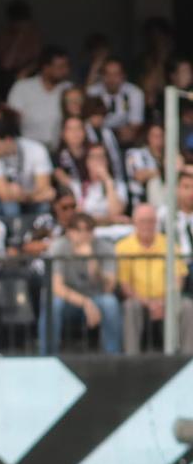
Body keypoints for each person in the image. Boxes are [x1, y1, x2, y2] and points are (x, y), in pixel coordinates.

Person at [115, 204, 193, 354]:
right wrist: (149, 303)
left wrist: (163, 302)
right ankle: (132, 359)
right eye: (143, 221)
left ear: (156, 222)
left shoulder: (169, 244)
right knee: (130, 307)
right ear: (134, 222)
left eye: (151, 221)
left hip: (167, 300)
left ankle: (188, 359)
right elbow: (125, 285)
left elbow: (179, 279)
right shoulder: (123, 247)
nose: (147, 225)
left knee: (188, 307)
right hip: (138, 300)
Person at [41, 213, 121, 354]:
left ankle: (113, 355)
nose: (84, 234)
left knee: (110, 303)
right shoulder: (59, 247)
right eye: (78, 229)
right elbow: (57, 287)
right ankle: (48, 355)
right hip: (69, 300)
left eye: (88, 230)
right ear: (69, 232)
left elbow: (109, 287)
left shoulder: (105, 247)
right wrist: (85, 303)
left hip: (97, 297)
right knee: (54, 304)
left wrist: (92, 261)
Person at [0, 120, 55, 217]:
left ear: (8, 139)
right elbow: (3, 194)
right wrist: (33, 195)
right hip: (12, 201)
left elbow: (43, 187)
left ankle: (40, 231)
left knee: (45, 205)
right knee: (9, 206)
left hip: (32, 199)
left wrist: (23, 195)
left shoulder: (37, 149)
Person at [6, 46, 71, 149]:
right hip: (28, 149)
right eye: (60, 67)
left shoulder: (68, 89)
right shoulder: (22, 87)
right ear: (46, 68)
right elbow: (11, 119)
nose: (65, 71)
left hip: (60, 150)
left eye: (66, 66)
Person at [87, 58, 145, 144]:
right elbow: (89, 122)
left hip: (125, 140)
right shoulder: (93, 92)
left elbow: (135, 124)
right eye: (107, 74)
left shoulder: (134, 93)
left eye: (116, 74)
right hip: (99, 139)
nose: (111, 79)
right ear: (102, 76)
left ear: (123, 76)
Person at [71, 144, 128, 226]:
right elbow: (79, 217)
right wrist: (109, 220)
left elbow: (116, 213)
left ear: (107, 161)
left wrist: (107, 180)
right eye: (93, 157)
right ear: (87, 161)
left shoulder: (118, 185)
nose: (98, 161)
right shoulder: (77, 186)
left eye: (101, 157)